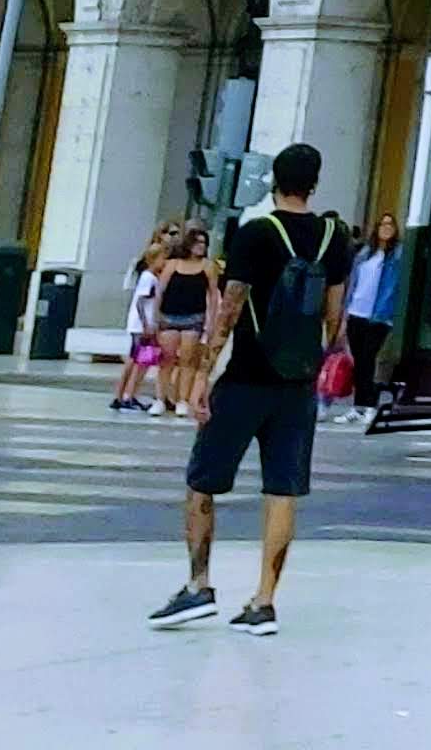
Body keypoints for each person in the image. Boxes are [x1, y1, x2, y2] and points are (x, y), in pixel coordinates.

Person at [151, 145, 347, 637]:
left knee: (203, 482)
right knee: (282, 490)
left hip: (247, 377)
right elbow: (334, 313)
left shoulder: (257, 232)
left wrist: (200, 376)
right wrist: (322, 358)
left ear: (273, 182)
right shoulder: (333, 237)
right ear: (315, 183)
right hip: (297, 381)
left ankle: (199, 585)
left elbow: (230, 308)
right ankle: (264, 600)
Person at [342, 214, 403, 419]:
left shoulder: (397, 256)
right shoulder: (365, 254)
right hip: (356, 312)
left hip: (379, 316)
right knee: (359, 362)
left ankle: (369, 406)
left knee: (368, 359)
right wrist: (345, 310)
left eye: (390, 224)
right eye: (383, 224)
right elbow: (353, 282)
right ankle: (358, 406)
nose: (386, 228)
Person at [156, 225, 216, 419]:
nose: (201, 246)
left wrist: (211, 321)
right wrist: (155, 316)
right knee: (167, 359)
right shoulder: (172, 264)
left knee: (188, 360)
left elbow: (213, 295)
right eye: (197, 242)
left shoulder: (208, 266)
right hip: (169, 315)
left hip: (194, 316)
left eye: (204, 243)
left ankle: (182, 399)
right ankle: (160, 398)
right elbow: (160, 290)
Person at [111, 231, 169, 415]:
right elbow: (141, 301)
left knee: (142, 361)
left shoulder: (151, 278)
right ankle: (124, 395)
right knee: (136, 360)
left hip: (144, 324)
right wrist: (146, 324)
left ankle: (129, 394)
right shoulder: (149, 278)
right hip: (141, 326)